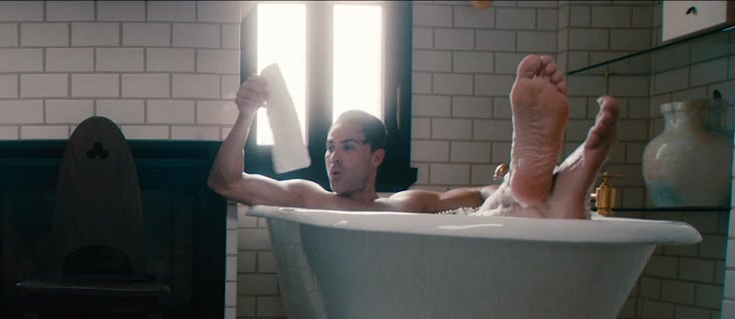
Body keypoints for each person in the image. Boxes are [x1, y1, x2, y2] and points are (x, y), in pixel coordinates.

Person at [208, 54, 619, 220]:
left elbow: (479, 193)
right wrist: (246, 115)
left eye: (348, 147)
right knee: (529, 205)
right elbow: (226, 183)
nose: (333, 157)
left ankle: (543, 181)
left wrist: (505, 187)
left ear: (377, 156)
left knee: (508, 208)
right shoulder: (309, 198)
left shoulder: (409, 203)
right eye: (330, 147)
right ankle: (565, 183)